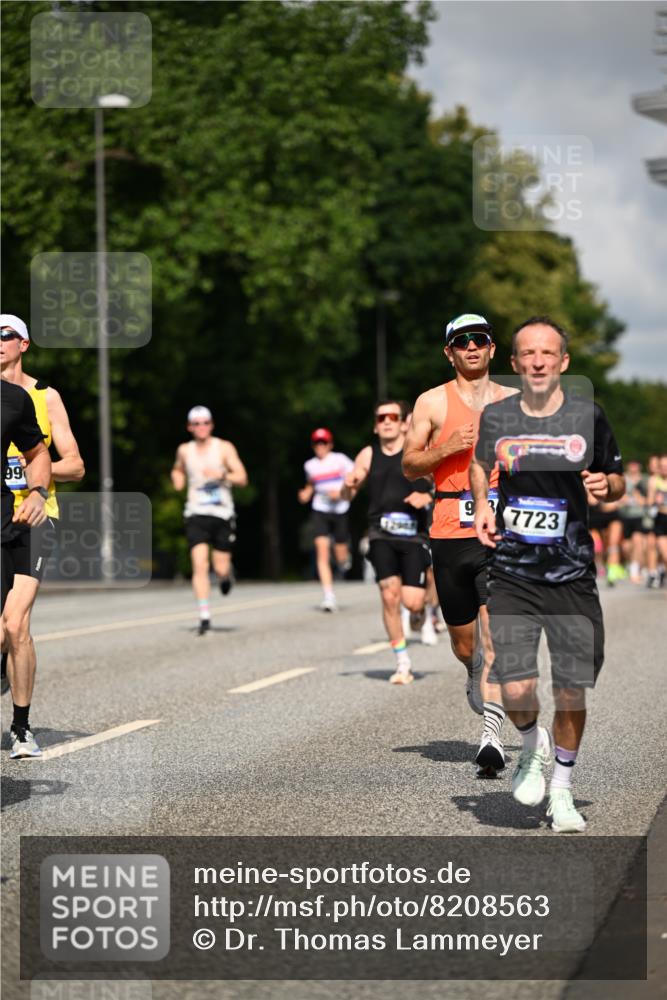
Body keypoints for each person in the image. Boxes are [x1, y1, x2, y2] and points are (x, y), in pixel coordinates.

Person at [471, 315, 624, 832]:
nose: (537, 361)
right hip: (514, 571)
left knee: (572, 689)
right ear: (514, 365)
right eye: (527, 354)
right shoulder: (497, 417)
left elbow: (618, 479)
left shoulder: (589, 417)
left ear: (564, 362)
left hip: (572, 574)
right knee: (515, 686)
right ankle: (532, 744)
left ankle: (561, 790)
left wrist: (608, 485)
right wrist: (484, 504)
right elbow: (477, 465)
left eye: (547, 353)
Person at [403, 313, 517, 776]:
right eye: (462, 341)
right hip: (449, 529)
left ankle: (491, 738)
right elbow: (410, 465)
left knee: (493, 642)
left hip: (501, 530)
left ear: (491, 349)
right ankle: (473, 673)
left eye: (480, 340)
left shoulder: (515, 401)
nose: (472, 347)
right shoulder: (431, 402)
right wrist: (448, 446)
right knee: (466, 646)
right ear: (449, 351)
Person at [0, 314, 85, 712]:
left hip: (37, 515)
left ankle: (21, 726)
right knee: (6, 630)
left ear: (24, 344)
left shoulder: (44, 395)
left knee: (15, 623)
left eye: (6, 335)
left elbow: (75, 464)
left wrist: (30, 470)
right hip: (1, 514)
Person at [342, 400, 433, 685]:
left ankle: (419, 614)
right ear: (375, 424)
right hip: (380, 533)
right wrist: (349, 485)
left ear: (405, 422)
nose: (386, 421)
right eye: (381, 417)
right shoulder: (368, 454)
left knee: (412, 600)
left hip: (415, 535)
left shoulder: (418, 451)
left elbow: (445, 484)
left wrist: (427, 497)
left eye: (393, 416)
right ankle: (402, 662)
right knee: (389, 595)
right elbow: (347, 497)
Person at [1, 360, 52, 758]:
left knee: (14, 624)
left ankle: (20, 726)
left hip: (24, 525)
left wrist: (37, 491)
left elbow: (44, 455)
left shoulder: (27, 399)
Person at [171, 406, 248, 635]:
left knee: (220, 566)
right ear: (189, 427)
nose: (201, 427)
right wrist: (177, 479)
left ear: (211, 425)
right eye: (196, 423)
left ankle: (226, 576)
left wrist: (222, 475)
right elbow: (177, 469)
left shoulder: (223, 448)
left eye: (205, 422)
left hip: (222, 513)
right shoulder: (185, 450)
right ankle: (204, 616)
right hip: (196, 513)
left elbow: (242, 478)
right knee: (199, 564)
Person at [298, 428, 354, 612]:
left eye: (323, 443)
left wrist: (340, 493)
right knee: (321, 552)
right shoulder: (310, 465)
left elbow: (354, 480)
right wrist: (306, 493)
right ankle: (328, 596)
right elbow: (311, 484)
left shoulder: (340, 460)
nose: (320, 446)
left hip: (340, 509)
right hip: (320, 510)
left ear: (330, 444)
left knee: (340, 555)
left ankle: (344, 560)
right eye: (316, 443)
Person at [618, 460, 650, 584]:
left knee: (638, 542)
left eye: (635, 464)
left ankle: (635, 569)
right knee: (626, 547)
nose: (633, 467)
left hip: (640, 515)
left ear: (639, 466)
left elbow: (650, 498)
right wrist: (622, 500)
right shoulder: (623, 478)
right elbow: (617, 495)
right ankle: (631, 564)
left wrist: (639, 498)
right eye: (631, 464)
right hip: (625, 516)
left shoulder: (645, 479)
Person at [647, 453, 667, 588]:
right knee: (664, 551)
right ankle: (654, 572)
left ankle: (659, 571)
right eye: (663, 466)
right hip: (661, 520)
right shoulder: (654, 480)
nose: (665, 468)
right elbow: (649, 502)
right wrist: (656, 501)